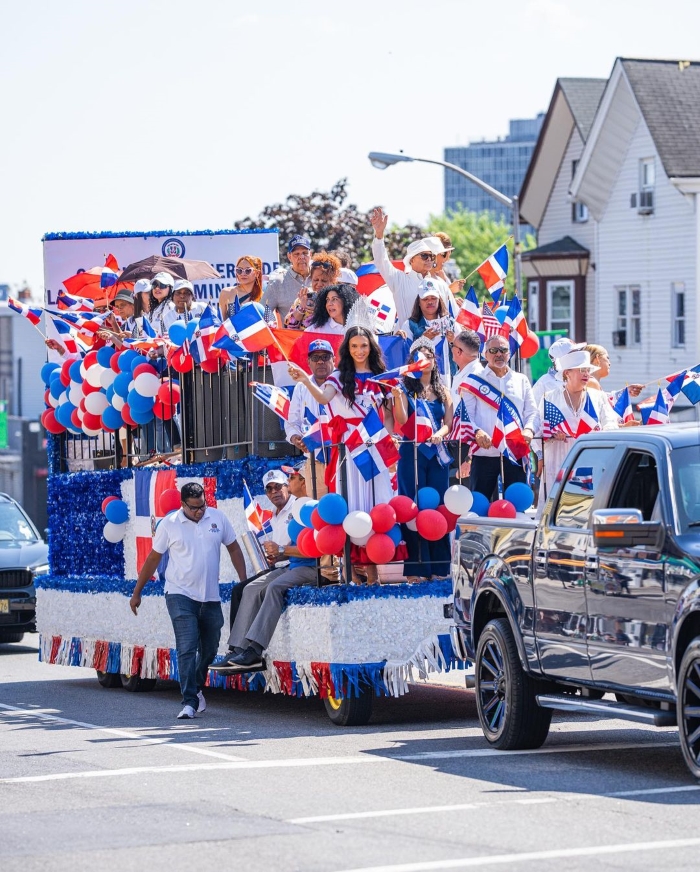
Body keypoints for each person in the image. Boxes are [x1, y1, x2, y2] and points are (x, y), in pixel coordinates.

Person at [129, 482, 247, 719]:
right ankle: (189, 702)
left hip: (210, 596)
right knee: (187, 646)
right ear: (182, 504)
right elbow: (153, 559)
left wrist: (244, 582)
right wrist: (137, 592)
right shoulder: (169, 524)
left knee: (211, 647)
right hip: (179, 593)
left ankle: (196, 685)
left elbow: (234, 548)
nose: (199, 511)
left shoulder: (218, 518)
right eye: (193, 508)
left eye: (202, 506)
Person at [288, 325, 395, 584]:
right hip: (350, 445)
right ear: (347, 349)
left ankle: (372, 571)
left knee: (375, 503)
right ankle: (348, 569)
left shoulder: (382, 377)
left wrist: (387, 437)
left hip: (374, 444)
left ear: (371, 347)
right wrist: (304, 380)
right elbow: (324, 399)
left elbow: (389, 416)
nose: (359, 351)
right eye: (354, 346)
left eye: (364, 345)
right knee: (353, 504)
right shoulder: (338, 377)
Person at [210, 470, 318, 672]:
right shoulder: (276, 514)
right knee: (249, 589)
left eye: (279, 486)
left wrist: (281, 551)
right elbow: (291, 549)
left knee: (274, 588)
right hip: (290, 563)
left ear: (290, 486)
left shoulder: (302, 507)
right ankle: (237, 650)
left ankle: (255, 651)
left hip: (310, 565)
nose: (274, 492)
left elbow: (313, 548)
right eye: (269, 489)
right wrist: (279, 554)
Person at [392, 338, 453, 582]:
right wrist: (398, 397)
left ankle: (439, 566)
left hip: (436, 454)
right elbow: (401, 418)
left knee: (436, 506)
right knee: (412, 506)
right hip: (411, 453)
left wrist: (439, 434)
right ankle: (417, 568)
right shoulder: (405, 388)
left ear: (434, 362)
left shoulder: (443, 390)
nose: (423, 361)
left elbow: (448, 423)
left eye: (428, 356)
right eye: (418, 357)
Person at [537, 349, 619, 503]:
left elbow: (610, 423)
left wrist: (602, 434)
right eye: (582, 370)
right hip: (559, 461)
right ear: (567, 373)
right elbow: (538, 428)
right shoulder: (549, 398)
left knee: (584, 507)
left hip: (589, 460)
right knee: (557, 507)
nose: (587, 374)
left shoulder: (598, 397)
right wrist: (552, 434)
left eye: (588, 370)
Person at [462, 334, 538, 500]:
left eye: (503, 350)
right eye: (493, 350)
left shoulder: (521, 380)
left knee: (517, 504)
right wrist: (477, 432)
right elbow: (466, 416)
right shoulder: (474, 380)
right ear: (485, 354)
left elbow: (532, 412)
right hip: (484, 453)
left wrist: (529, 430)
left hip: (515, 452)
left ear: (509, 353)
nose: (498, 354)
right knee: (479, 503)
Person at [369, 208, 456, 327]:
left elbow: (453, 316)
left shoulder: (440, 284)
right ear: (412, 260)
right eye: (424, 256)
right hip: (408, 341)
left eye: (431, 256)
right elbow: (381, 261)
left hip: (438, 343)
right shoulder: (400, 280)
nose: (429, 259)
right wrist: (379, 235)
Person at [284, 338, 337, 499]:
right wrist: (295, 438)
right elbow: (292, 422)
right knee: (321, 512)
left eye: (325, 357)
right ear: (308, 362)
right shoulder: (301, 387)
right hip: (315, 460)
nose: (320, 361)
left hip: (341, 456)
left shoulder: (342, 382)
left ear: (334, 360)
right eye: (315, 358)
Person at [262, 235, 312, 320]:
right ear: (289, 257)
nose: (301, 257)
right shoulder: (277, 283)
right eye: (296, 254)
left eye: (305, 253)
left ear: (310, 254)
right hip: (291, 333)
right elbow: (262, 314)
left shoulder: (320, 277)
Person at [218, 256, 264, 320]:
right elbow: (220, 322)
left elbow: (272, 324)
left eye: (248, 270)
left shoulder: (264, 296)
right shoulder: (226, 293)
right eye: (239, 270)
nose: (243, 274)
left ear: (257, 273)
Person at [428, 232, 466, 296]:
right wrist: (450, 290)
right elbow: (430, 301)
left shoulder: (441, 273)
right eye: (444, 253)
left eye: (450, 251)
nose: (447, 258)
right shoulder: (424, 274)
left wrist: (455, 300)